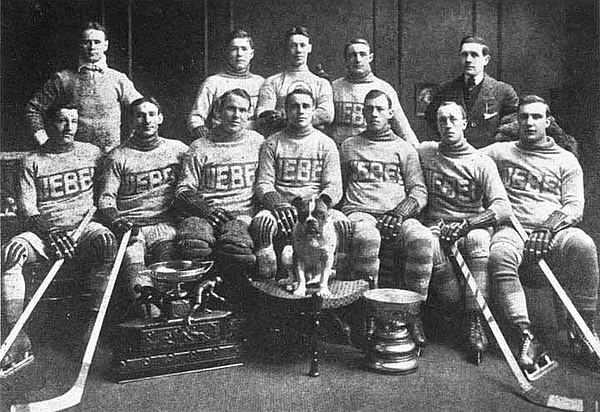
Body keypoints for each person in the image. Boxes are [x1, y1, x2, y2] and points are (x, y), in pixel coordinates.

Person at [482, 95, 599, 372]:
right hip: (513, 229)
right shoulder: (500, 151)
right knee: (499, 254)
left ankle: (583, 328)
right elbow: (464, 157)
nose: (529, 122)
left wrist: (548, 228)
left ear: (548, 122)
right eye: (524, 117)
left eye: (536, 117)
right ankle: (525, 334)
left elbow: (574, 206)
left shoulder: (566, 160)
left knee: (584, 245)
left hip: (553, 231)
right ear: (517, 121)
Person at [1, 104, 116, 376]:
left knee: (107, 243)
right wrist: (51, 234)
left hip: (85, 228)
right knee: (12, 252)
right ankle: (16, 337)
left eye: (74, 121)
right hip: (46, 233)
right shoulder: (31, 161)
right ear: (49, 124)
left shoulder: (93, 153)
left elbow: (105, 195)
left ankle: (91, 327)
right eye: (62, 121)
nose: (68, 127)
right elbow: (28, 210)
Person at [419, 101, 511, 364]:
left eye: (452, 119)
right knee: (427, 243)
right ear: (436, 126)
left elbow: (502, 207)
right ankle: (454, 307)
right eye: (441, 120)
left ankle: (475, 319)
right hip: (437, 226)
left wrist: (469, 224)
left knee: (478, 240)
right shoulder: (426, 153)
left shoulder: (481, 162)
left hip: (472, 225)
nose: (447, 125)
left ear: (464, 123)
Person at [339, 90, 432, 351]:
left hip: (396, 215)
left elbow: (418, 190)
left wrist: (401, 212)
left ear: (391, 113)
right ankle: (368, 313)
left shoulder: (404, 149)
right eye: (369, 109)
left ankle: (414, 313)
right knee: (367, 237)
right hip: (360, 211)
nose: (374, 114)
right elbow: (340, 187)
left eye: (380, 109)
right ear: (363, 113)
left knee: (423, 239)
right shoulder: (349, 145)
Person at [98, 97, 188, 318]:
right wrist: (118, 221)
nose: (146, 120)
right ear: (131, 120)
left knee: (169, 281)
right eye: (140, 115)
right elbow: (106, 199)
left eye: (151, 115)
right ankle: (148, 312)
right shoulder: (117, 156)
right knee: (140, 287)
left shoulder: (178, 149)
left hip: (165, 225)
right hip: (132, 229)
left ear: (160, 118)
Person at [175, 89, 263, 297]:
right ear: (218, 111)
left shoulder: (257, 142)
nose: (236, 115)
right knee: (194, 244)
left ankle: (233, 303)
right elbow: (183, 189)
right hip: (206, 214)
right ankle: (198, 300)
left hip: (241, 214)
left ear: (249, 114)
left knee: (236, 248)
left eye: (242, 110)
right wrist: (206, 211)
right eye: (231, 108)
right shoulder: (199, 146)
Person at [25, 21, 142, 152]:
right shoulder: (63, 78)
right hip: (74, 157)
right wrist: (43, 140)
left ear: (106, 45)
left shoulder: (118, 79)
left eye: (97, 42)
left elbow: (141, 108)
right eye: (87, 42)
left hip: (110, 154)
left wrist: (133, 142)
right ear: (80, 45)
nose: (92, 47)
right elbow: (33, 109)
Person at [425, 36, 518, 149]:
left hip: (489, 156)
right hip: (454, 155)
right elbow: (431, 118)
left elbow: (513, 125)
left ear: (486, 60)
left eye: (474, 55)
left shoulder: (504, 91)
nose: (468, 60)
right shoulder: (445, 90)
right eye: (464, 54)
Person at [331, 39, 419, 148]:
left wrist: (417, 152)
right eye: (353, 55)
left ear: (370, 57)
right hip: (341, 153)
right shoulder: (334, 87)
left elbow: (402, 127)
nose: (358, 60)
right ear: (346, 59)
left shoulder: (383, 88)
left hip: (372, 153)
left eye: (363, 55)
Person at [255, 27, 333, 137]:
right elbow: (263, 115)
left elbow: (327, 115)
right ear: (286, 48)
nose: (298, 50)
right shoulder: (272, 82)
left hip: (312, 141)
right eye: (293, 46)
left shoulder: (321, 83)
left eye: (302, 45)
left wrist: (285, 117)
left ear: (309, 48)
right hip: (281, 141)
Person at [188, 29, 264, 138]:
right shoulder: (213, 82)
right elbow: (195, 117)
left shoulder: (261, 82)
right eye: (234, 49)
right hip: (220, 140)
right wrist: (201, 130)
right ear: (227, 52)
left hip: (252, 142)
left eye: (244, 49)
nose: (239, 54)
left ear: (251, 53)